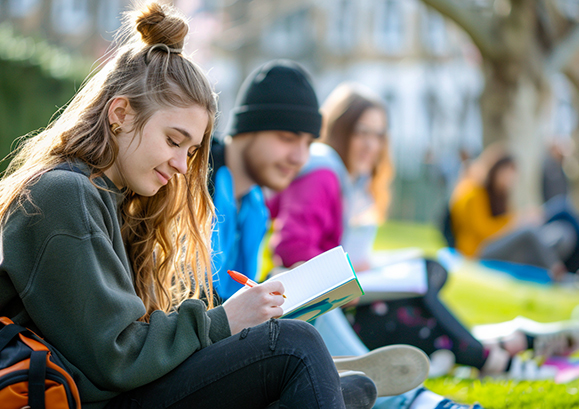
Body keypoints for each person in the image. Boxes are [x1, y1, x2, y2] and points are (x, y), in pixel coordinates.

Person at [0, 4, 362, 409]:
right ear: (120, 113)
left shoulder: (117, 202)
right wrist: (226, 321)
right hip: (78, 398)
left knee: (344, 388)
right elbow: (116, 357)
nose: (181, 164)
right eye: (174, 140)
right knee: (295, 347)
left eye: (191, 151)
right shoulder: (61, 195)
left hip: (119, 392)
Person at [267, 83, 579, 406]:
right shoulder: (324, 172)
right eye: (361, 132)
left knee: (427, 277)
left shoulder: (350, 183)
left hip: (344, 307)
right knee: (418, 299)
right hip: (326, 311)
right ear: (340, 130)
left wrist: (366, 268)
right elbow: (292, 252)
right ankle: (504, 349)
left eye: (379, 135)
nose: (371, 144)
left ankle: (503, 346)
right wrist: (347, 279)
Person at [208, 59, 429, 406]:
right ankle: (399, 398)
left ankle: (348, 385)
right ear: (248, 128)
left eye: (309, 142)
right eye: (286, 138)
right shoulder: (200, 189)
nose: (299, 156)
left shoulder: (253, 205)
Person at [450, 144, 579, 279]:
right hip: (477, 252)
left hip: (496, 247)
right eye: (507, 173)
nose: (510, 180)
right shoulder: (472, 192)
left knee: (562, 233)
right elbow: (483, 230)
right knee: (534, 227)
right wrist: (516, 222)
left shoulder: (498, 196)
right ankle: (560, 276)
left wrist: (517, 221)